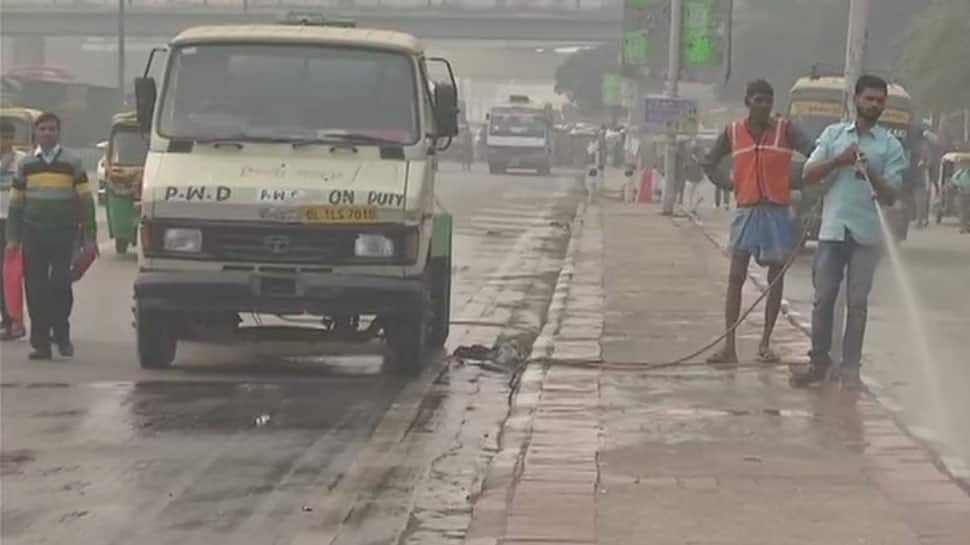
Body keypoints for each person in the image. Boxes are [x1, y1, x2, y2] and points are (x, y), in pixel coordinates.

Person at [791, 75, 908, 390]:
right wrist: (838, 161)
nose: (875, 105)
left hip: (867, 236)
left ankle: (851, 368)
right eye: (869, 99)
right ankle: (818, 363)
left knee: (857, 303)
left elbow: (891, 195)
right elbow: (808, 174)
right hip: (832, 231)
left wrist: (871, 172)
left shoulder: (890, 146)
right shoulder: (833, 135)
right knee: (824, 298)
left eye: (880, 101)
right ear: (856, 100)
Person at [699, 79, 813, 364]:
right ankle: (729, 346)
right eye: (758, 100)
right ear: (748, 101)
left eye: (768, 101)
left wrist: (801, 182)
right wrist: (727, 184)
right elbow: (710, 162)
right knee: (736, 276)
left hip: (776, 211)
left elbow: (815, 153)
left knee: (776, 278)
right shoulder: (733, 131)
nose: (763, 106)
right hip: (746, 211)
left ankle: (765, 344)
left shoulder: (785, 130)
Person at [5, 113, 98, 360]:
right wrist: (12, 238)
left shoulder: (72, 162)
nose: (47, 133)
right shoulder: (26, 164)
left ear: (59, 132)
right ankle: (41, 343)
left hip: (63, 234)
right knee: (35, 289)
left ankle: (62, 333)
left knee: (59, 285)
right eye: (43, 129)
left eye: (52, 129)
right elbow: (15, 203)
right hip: (33, 234)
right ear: (36, 132)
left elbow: (86, 200)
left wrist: (90, 236)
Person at [1, 120, 27, 340]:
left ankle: (14, 321)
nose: (5, 142)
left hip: (13, 222)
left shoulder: (22, 161)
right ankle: (6, 319)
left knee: (11, 274)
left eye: (8, 137)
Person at [952, 161, 970, 233]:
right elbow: (953, 179)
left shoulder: (962, 172)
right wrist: (959, 185)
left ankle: (965, 227)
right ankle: (963, 228)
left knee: (966, 212)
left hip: (966, 193)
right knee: (963, 212)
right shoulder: (961, 172)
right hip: (962, 194)